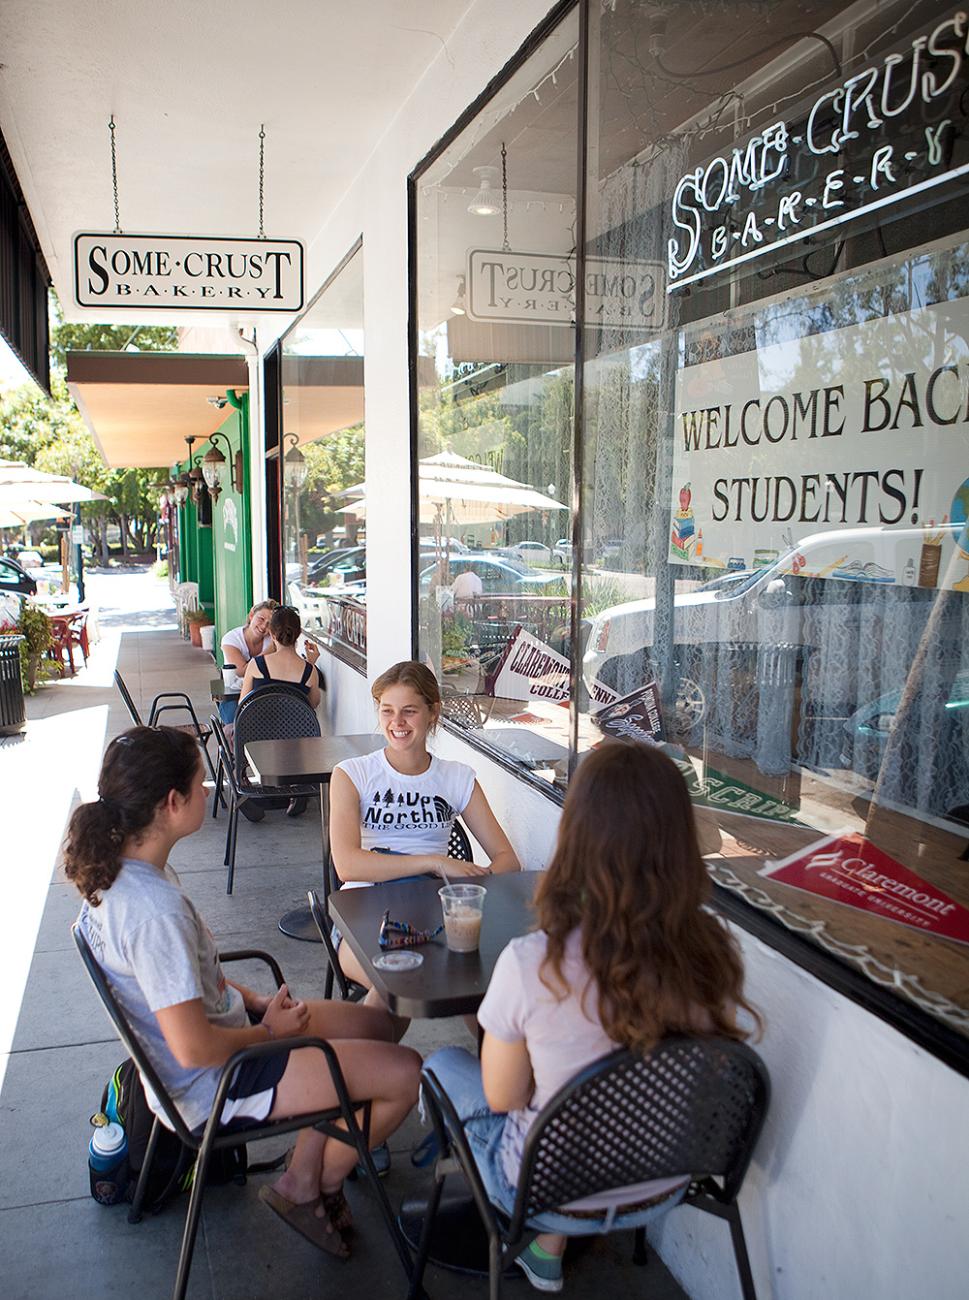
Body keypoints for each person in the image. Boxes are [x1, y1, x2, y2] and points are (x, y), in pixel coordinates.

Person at [66, 726, 421, 1260]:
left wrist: (252, 1002)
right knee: (405, 1073)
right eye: (201, 783)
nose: (209, 790)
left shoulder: (125, 875)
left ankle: (312, 1155)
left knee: (377, 1025)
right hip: (216, 1084)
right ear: (171, 803)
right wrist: (269, 1032)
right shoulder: (152, 913)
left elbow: (181, 981)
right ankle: (310, 1185)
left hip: (226, 1042)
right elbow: (192, 1048)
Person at [424, 741, 761, 1292]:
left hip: (541, 1186)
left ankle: (530, 1234)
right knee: (593, 1085)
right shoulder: (713, 953)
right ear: (680, 837)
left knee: (440, 1066)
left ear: (576, 834)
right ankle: (546, 1255)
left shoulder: (534, 963)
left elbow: (504, 1097)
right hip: (664, 1180)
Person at [329, 659, 519, 1004]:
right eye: (387, 711)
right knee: (396, 983)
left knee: (477, 986)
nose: (396, 723)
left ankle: (487, 1058)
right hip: (364, 908)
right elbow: (348, 865)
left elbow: (508, 859)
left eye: (409, 711)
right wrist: (433, 862)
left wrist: (467, 890)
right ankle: (372, 1057)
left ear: (433, 712)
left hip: (434, 911)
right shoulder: (351, 774)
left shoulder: (457, 777)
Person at [237, 605, 325, 710]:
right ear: (298, 634)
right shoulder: (310, 671)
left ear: (272, 635)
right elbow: (313, 704)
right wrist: (310, 663)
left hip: (258, 725)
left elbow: (242, 703)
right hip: (295, 726)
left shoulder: (256, 665)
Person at [219, 600, 279, 723]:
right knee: (235, 726)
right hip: (235, 694)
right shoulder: (232, 638)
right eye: (261, 619)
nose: (264, 627)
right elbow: (241, 671)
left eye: (269, 624)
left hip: (261, 693)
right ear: (251, 615)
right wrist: (270, 650)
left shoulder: (270, 640)